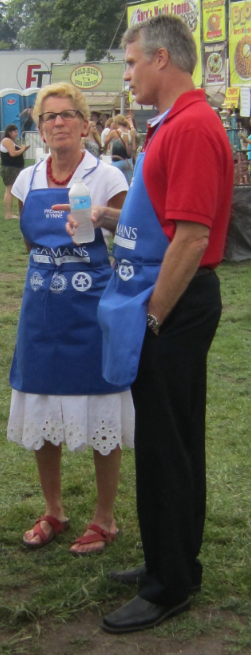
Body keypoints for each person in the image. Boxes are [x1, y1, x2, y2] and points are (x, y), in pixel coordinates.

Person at [67, 15, 234, 631]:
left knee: (167, 446)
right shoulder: (175, 123)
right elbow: (162, 222)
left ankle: (170, 585)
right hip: (169, 298)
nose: (128, 74)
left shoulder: (190, 126)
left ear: (162, 59)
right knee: (174, 440)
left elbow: (190, 238)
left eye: (133, 63)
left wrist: (156, 315)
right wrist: (107, 219)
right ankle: (172, 559)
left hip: (173, 304)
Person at [7, 82, 134, 555]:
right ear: (39, 128)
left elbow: (131, 235)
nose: (58, 123)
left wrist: (101, 218)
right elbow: (29, 242)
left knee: (101, 401)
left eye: (67, 114)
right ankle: (55, 509)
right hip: (41, 309)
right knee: (41, 405)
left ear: (85, 123)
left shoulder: (107, 177)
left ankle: (105, 517)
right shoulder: (28, 180)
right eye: (48, 116)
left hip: (91, 307)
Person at [0, 124, 29, 219]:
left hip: (15, 168)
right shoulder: (6, 140)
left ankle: (15, 212)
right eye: (15, 132)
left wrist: (23, 149)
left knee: (16, 190)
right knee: (10, 190)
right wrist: (22, 149)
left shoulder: (12, 141)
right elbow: (13, 153)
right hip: (10, 168)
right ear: (9, 132)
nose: (17, 133)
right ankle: (8, 213)